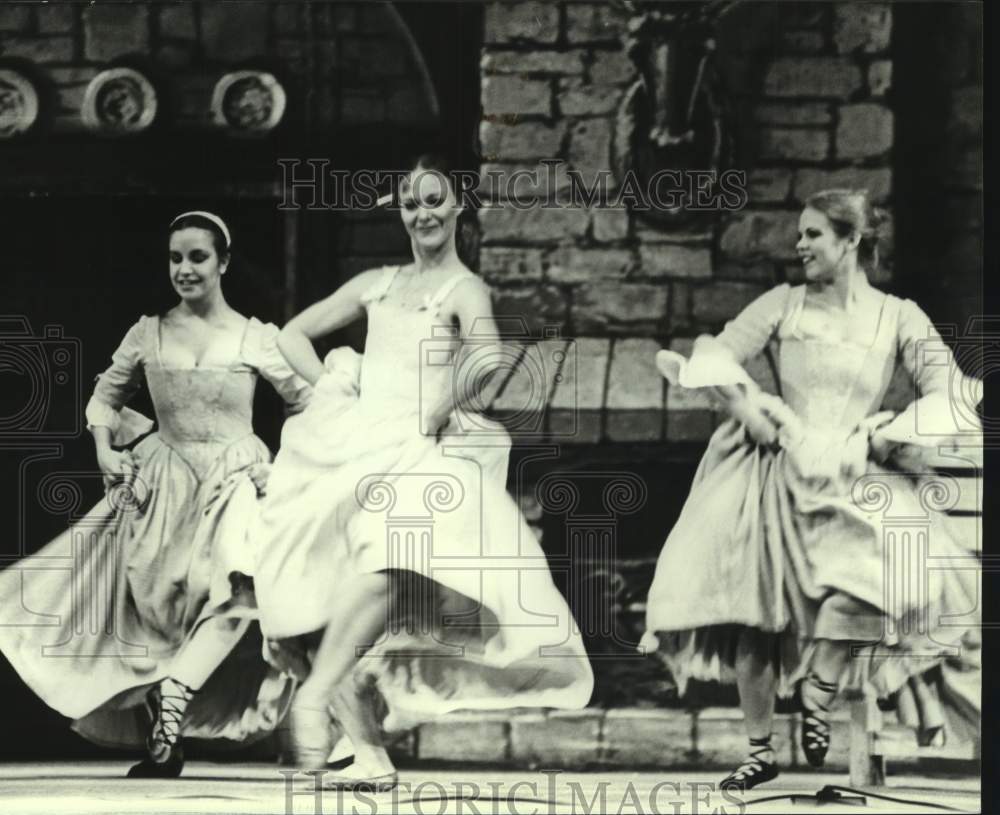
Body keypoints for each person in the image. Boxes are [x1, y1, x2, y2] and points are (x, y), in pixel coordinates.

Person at [253, 154, 594, 790]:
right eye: (411, 204)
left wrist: (437, 408)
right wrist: (333, 386)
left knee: (389, 553)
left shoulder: (462, 288)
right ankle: (369, 754)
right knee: (301, 601)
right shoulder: (378, 283)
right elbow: (293, 336)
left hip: (415, 445)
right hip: (352, 439)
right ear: (400, 213)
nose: (423, 213)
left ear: (457, 206)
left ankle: (316, 694)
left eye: (434, 201)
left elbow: (490, 358)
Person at [643, 189, 981, 790]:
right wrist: (748, 411)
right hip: (780, 463)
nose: (799, 246)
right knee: (755, 609)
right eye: (799, 234)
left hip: (853, 470)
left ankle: (820, 685)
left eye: (813, 235)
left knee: (890, 577)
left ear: (852, 240)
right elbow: (716, 352)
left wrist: (892, 431)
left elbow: (948, 388)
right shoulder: (784, 304)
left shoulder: (897, 315)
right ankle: (759, 748)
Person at [0, 212, 311, 777]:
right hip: (161, 482)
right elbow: (104, 400)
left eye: (197, 257)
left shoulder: (254, 336)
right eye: (176, 258)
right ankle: (164, 727)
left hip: (235, 476)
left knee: (241, 588)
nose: (185, 269)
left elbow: (307, 401)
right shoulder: (148, 332)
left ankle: (175, 695)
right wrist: (104, 450)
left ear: (224, 263)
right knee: (157, 613)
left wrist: (288, 466)